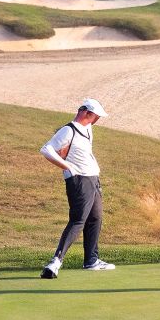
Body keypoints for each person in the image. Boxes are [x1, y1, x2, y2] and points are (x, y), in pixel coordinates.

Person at [39, 98, 116, 278]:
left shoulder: (88, 129)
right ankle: (55, 262)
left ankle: (91, 260)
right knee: (78, 220)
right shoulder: (68, 130)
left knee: (95, 218)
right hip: (79, 180)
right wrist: (67, 166)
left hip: (93, 179)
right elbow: (46, 149)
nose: (97, 120)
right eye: (96, 116)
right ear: (86, 113)